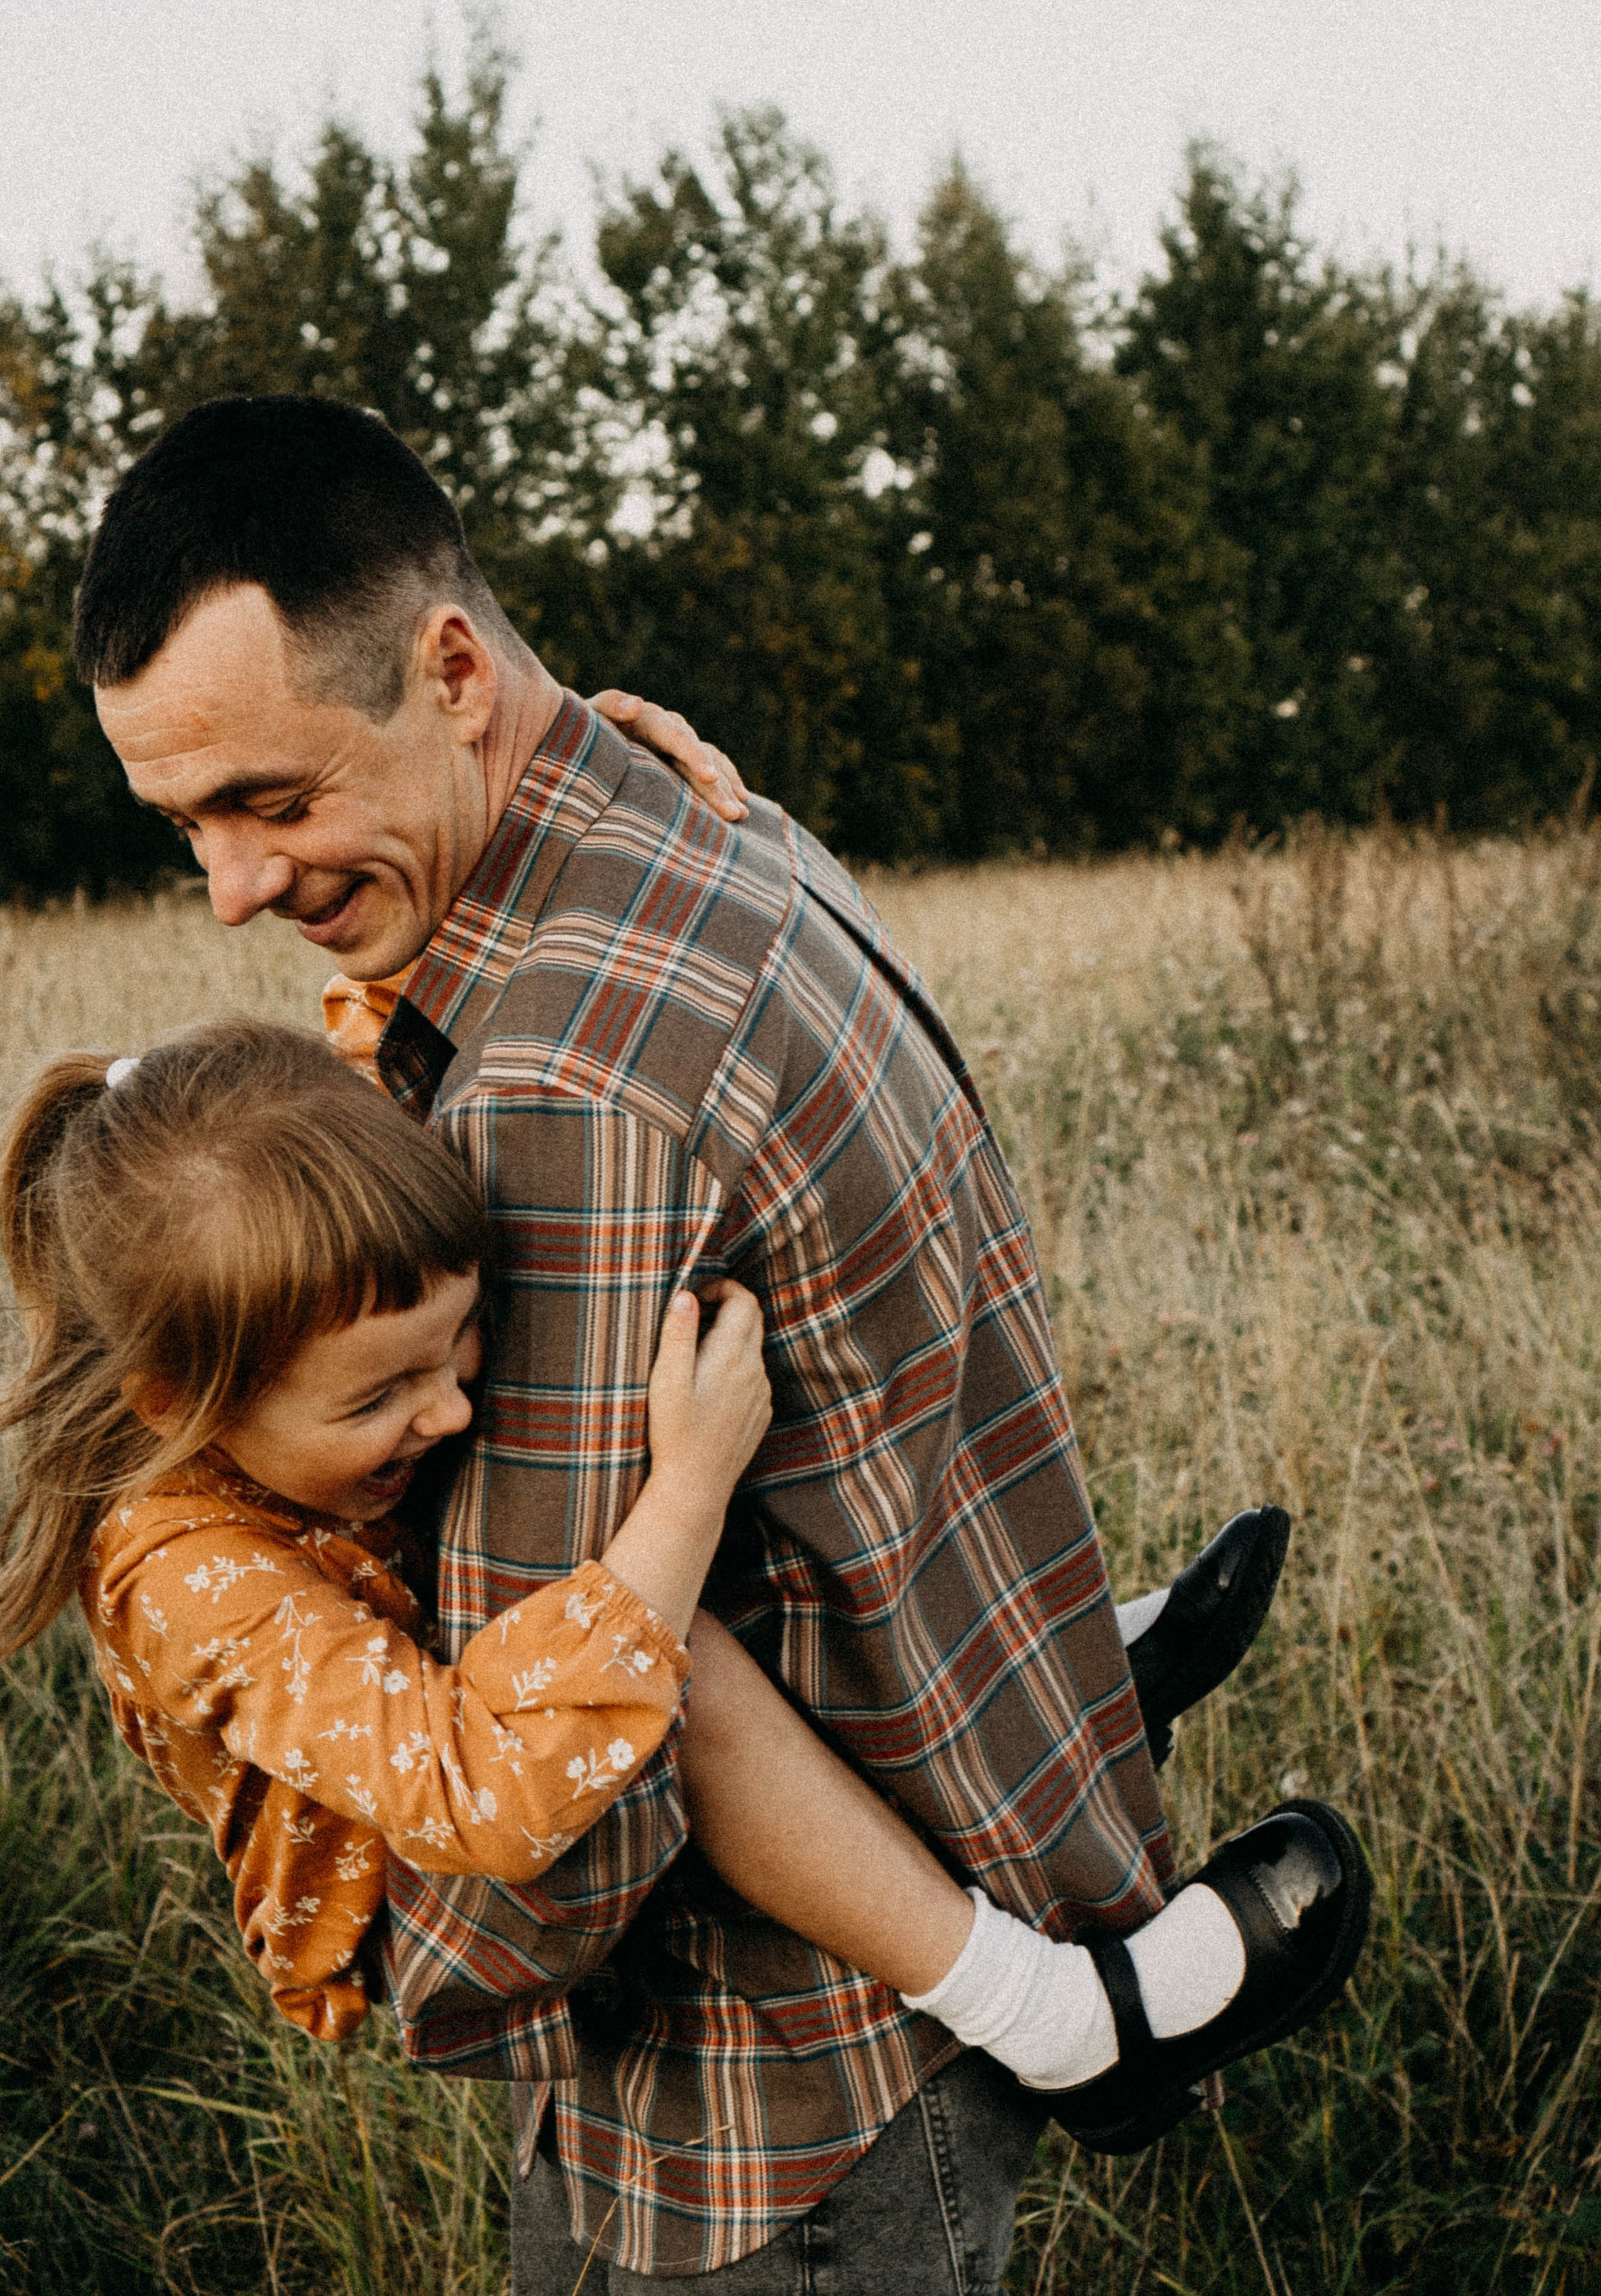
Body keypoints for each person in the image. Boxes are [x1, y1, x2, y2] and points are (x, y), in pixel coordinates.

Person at [76, 396, 1368, 2290]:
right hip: (896, 1846)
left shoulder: (567, 1096)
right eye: (188, 823)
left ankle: (1082, 2005)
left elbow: (558, 1836)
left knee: (638, 1618)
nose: (233, 888)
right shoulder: (709, 824)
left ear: (454, 675)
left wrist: (436, 1982)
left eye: (274, 802)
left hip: (759, 2102)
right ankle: (1078, 1729)